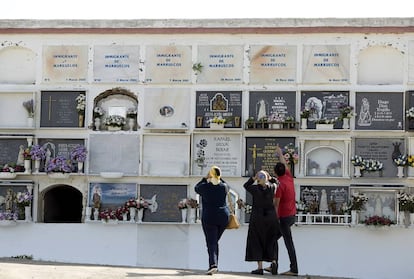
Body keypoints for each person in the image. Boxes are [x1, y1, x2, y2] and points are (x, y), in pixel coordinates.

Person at [194, 165, 230, 275]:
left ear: (210, 174)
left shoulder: (205, 187)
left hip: (210, 217)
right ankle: (214, 264)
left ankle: (213, 265)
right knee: (214, 242)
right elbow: (227, 185)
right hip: (223, 217)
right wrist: (220, 177)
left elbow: (196, 187)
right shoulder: (223, 187)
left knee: (212, 242)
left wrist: (205, 178)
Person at [244, 170, 279, 275]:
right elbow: (277, 182)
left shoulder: (255, 189)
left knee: (257, 240)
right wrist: (270, 177)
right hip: (271, 217)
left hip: (257, 217)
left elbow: (246, 185)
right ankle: (273, 262)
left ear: (258, 179)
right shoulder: (272, 187)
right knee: (271, 239)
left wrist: (253, 179)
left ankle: (260, 267)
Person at [271, 145, 298, 276]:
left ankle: (293, 269)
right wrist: (280, 153)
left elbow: (276, 204)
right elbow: (284, 164)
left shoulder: (280, 185)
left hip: (283, 217)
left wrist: (274, 218)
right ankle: (273, 264)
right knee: (273, 238)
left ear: (276, 173)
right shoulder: (288, 177)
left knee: (288, 243)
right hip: (291, 215)